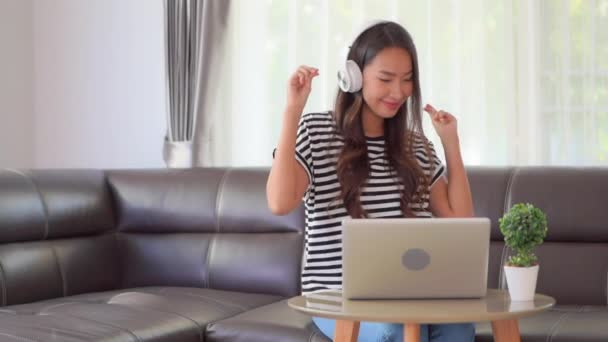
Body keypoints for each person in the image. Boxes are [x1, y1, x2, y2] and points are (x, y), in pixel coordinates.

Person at [266, 20, 475, 342]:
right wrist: (293, 110)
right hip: (335, 298)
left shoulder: (416, 146)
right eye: (385, 79)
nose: (398, 92)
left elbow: (460, 221)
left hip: (413, 296)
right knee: (393, 332)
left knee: (459, 328)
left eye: (407, 80)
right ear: (353, 76)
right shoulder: (316, 132)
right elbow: (279, 203)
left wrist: (451, 144)